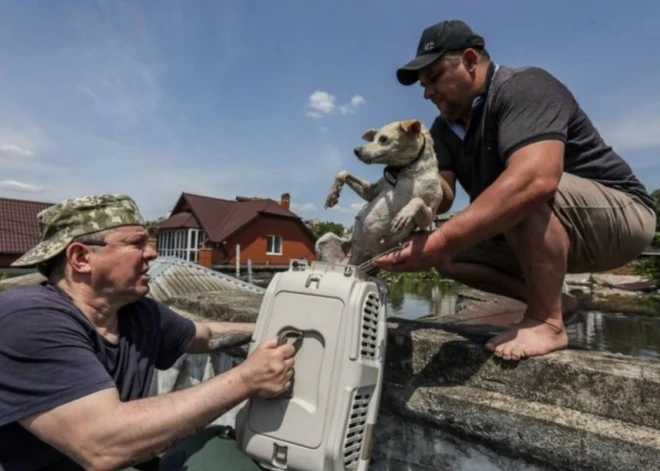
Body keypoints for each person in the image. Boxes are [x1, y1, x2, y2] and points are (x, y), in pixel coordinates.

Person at [375, 20, 656, 360]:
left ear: (469, 60)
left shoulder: (524, 87)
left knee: (518, 196)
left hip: (623, 218)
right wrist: (407, 184)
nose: (427, 92)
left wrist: (440, 239)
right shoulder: (442, 130)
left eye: (434, 78)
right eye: (423, 85)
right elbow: (441, 196)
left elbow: (535, 180)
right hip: (550, 231)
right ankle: (559, 303)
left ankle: (545, 321)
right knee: (448, 257)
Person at [0, 194, 296, 471]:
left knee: (223, 447)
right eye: (136, 243)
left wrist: (272, 329)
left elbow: (204, 334)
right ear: (80, 258)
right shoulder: (28, 319)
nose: (152, 253)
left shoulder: (136, 311)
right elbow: (102, 446)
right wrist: (247, 379)